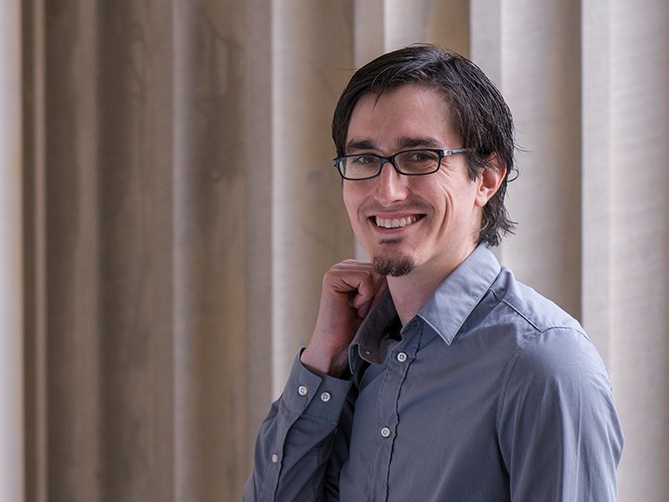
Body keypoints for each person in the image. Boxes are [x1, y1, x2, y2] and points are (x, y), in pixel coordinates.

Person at [244, 44, 623, 501]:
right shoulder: (355, 357)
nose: (387, 192)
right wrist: (324, 363)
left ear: (486, 178)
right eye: (364, 159)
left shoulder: (545, 364)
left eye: (420, 157)